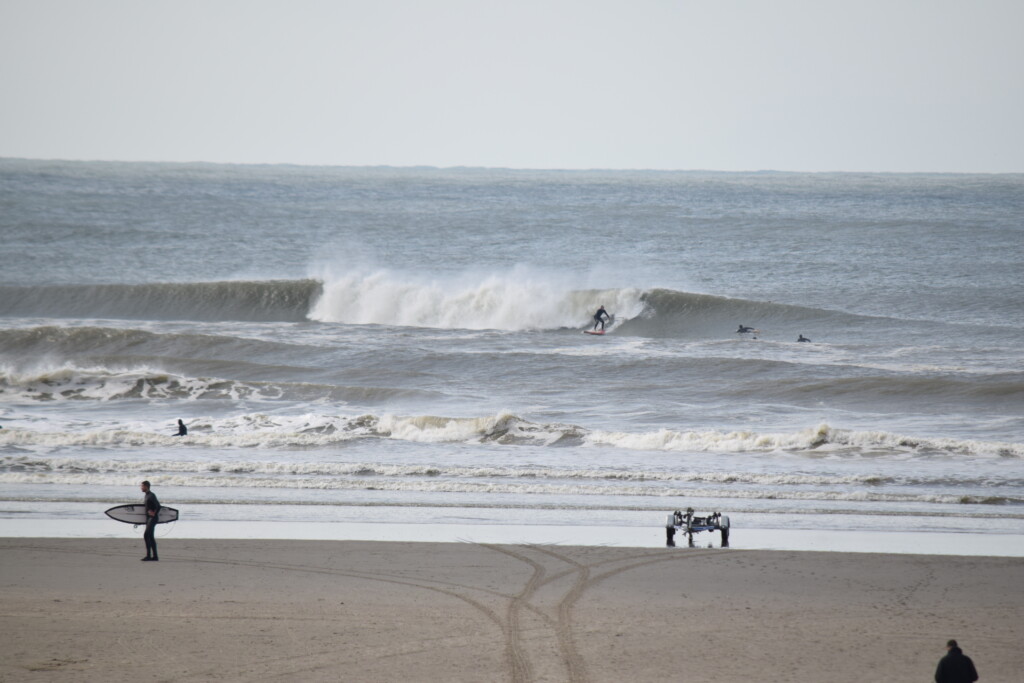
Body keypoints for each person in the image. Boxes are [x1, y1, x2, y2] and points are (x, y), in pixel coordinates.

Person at [140, 480, 161, 562]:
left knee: (147, 535)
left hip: (153, 519)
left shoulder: (151, 495)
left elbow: (158, 506)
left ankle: (149, 556)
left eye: (142, 486)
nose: (141, 488)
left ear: (146, 486)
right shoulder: (146, 495)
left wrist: (154, 512)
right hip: (149, 519)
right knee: (150, 536)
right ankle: (154, 556)